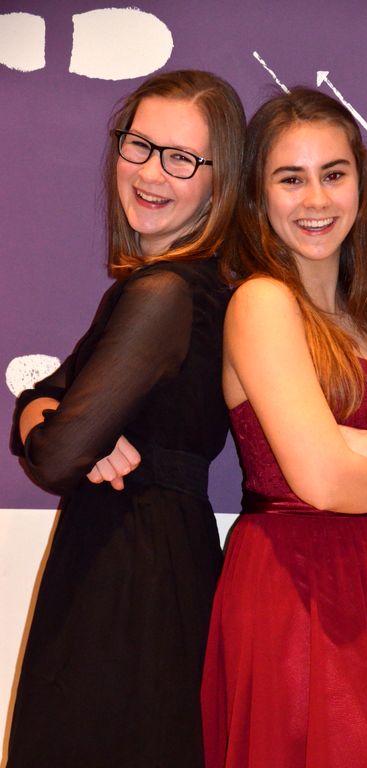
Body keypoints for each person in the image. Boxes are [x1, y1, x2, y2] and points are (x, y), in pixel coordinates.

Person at [200, 87, 367, 768]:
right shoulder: (262, 302)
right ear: (258, 196)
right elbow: (323, 482)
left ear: (361, 183)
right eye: (290, 179)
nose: (316, 199)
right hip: (291, 584)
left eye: (333, 173)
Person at [8, 70, 245, 768]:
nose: (150, 172)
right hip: (144, 563)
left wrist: (64, 432)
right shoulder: (167, 286)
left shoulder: (165, 293)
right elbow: (41, 402)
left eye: (182, 158)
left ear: (220, 182)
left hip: (128, 578)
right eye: (139, 145)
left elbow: (54, 457)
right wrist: (58, 420)